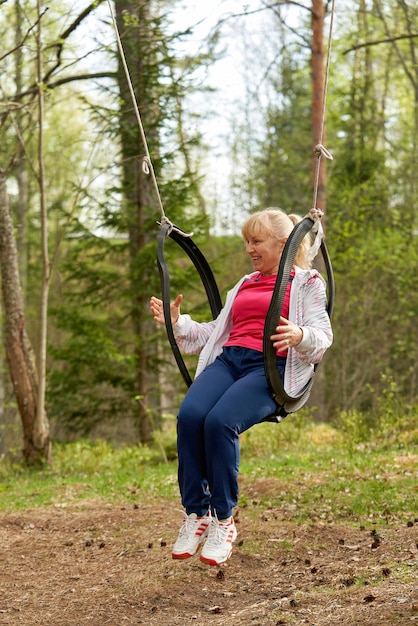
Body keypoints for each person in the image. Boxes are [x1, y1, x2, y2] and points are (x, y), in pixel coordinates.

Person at [150, 208, 333, 567]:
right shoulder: (245, 284)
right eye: (246, 241)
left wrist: (299, 335)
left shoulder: (307, 282)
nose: (249, 248)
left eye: (256, 241)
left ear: (283, 244)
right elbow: (213, 333)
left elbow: (322, 337)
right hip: (230, 361)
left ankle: (223, 520)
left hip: (270, 368)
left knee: (220, 423)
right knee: (190, 417)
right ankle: (196, 513)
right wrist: (177, 322)